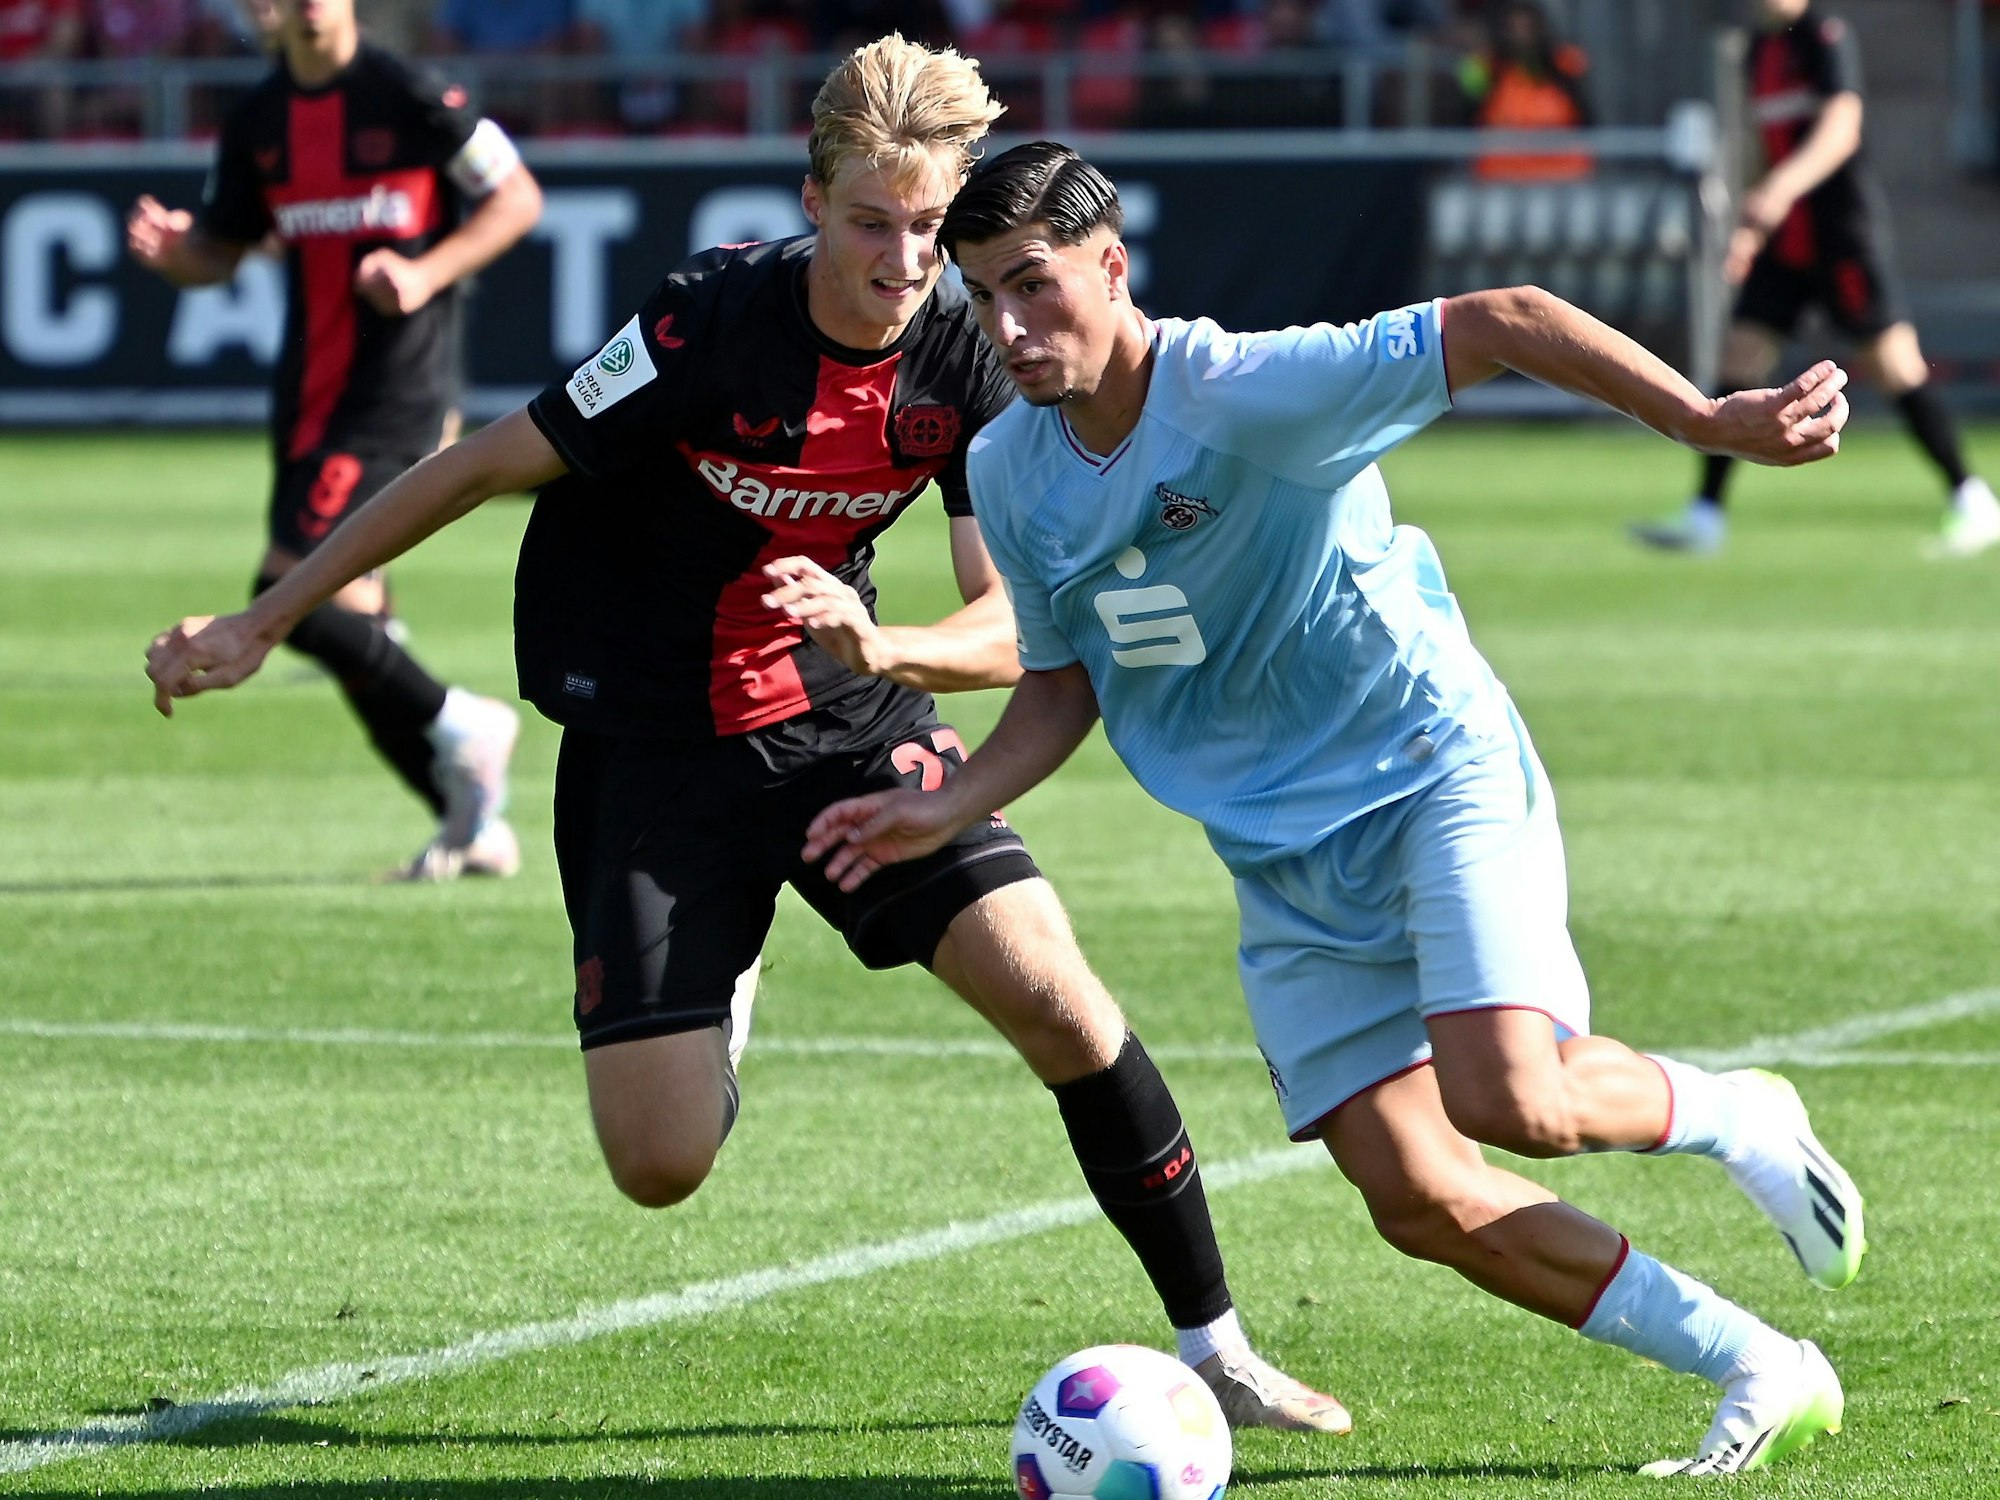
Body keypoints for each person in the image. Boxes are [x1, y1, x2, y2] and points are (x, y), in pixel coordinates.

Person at [143, 35, 1351, 1434]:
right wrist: (267, 619)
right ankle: (733, 963)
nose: (904, 258)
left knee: (1058, 998)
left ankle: (1219, 1350)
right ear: (811, 201)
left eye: (928, 226)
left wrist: (879, 646)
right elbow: (483, 461)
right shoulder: (703, 324)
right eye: (870, 221)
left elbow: (1007, 622)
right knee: (661, 1164)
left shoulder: (971, 349)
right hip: (651, 737)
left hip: (846, 717)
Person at [802, 141, 1867, 1477]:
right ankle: (1762, 1363)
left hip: (1427, 773)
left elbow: (1505, 320)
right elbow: (1062, 682)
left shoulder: (1243, 389)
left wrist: (1708, 422)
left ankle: (1734, 1114)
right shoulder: (1013, 469)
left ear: (1114, 267)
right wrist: (943, 809)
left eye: (1033, 285)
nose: (1008, 328)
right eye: (981, 298)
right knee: (1414, 1194)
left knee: (1511, 1098)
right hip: (1279, 858)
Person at [128, 0, 544, 880]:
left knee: (292, 591)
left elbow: (517, 198)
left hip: (396, 391)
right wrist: (180, 256)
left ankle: (467, 725)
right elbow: (224, 248)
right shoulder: (258, 121)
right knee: (355, 627)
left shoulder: (413, 94)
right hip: (309, 400)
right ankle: (468, 821)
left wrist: (425, 272)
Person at [1631, 0, 1999, 558]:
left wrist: (1779, 191)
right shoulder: (1759, 47)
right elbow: (1763, 145)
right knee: (1739, 360)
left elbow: (1841, 127)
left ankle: (1972, 499)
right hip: (1784, 242)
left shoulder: (1824, 36)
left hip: (1839, 234)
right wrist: (1751, 232)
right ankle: (1705, 515)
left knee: (1895, 365)